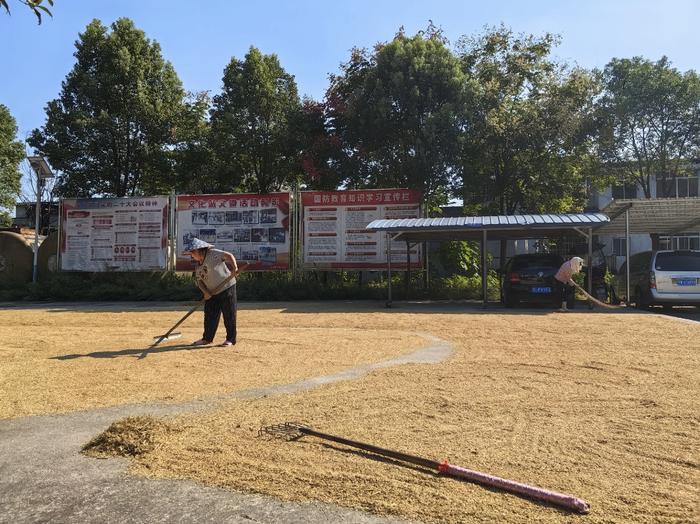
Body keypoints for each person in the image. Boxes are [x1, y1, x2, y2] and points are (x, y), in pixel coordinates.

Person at [184, 238, 239, 347]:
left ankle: (230, 339)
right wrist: (206, 292)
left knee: (229, 314)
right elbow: (200, 281)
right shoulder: (198, 265)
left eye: (192, 253)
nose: (191, 256)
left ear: (198, 251)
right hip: (211, 292)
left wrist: (235, 268)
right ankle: (207, 338)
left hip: (227, 287)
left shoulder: (213, 254)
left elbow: (228, 255)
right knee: (210, 315)